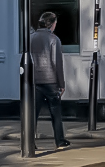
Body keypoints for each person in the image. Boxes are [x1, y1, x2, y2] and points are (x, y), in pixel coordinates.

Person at [30, 12, 69, 150]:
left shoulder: (30, 38)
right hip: (51, 81)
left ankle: (30, 142)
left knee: (33, 114)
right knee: (56, 112)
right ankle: (59, 141)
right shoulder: (54, 39)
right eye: (55, 23)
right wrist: (61, 84)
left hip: (34, 81)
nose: (55, 26)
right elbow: (57, 63)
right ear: (51, 24)